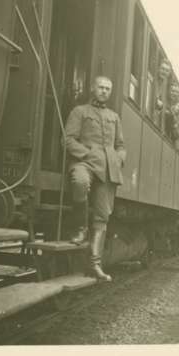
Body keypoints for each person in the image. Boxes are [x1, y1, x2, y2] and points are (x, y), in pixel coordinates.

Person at [64, 76, 126, 282]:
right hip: (85, 163)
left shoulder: (114, 117)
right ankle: (80, 228)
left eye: (107, 88)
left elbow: (121, 145)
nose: (104, 91)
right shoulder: (79, 111)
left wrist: (118, 159)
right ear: (93, 88)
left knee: (102, 215)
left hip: (108, 170)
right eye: (101, 87)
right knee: (80, 182)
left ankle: (95, 265)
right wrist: (87, 154)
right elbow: (68, 140)